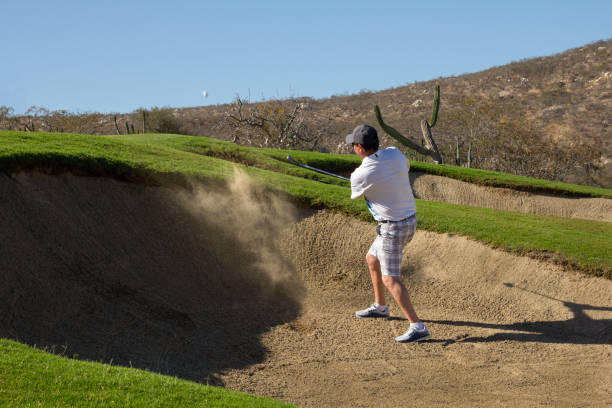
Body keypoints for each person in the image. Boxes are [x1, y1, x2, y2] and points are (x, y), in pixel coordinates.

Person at [346, 124, 429, 343]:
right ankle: (381, 306)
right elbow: (398, 170)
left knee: (390, 278)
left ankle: (417, 326)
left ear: (361, 148)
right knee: (372, 259)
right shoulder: (395, 153)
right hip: (408, 220)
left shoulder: (361, 174)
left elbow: (356, 194)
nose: (352, 148)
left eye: (353, 145)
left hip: (393, 227)